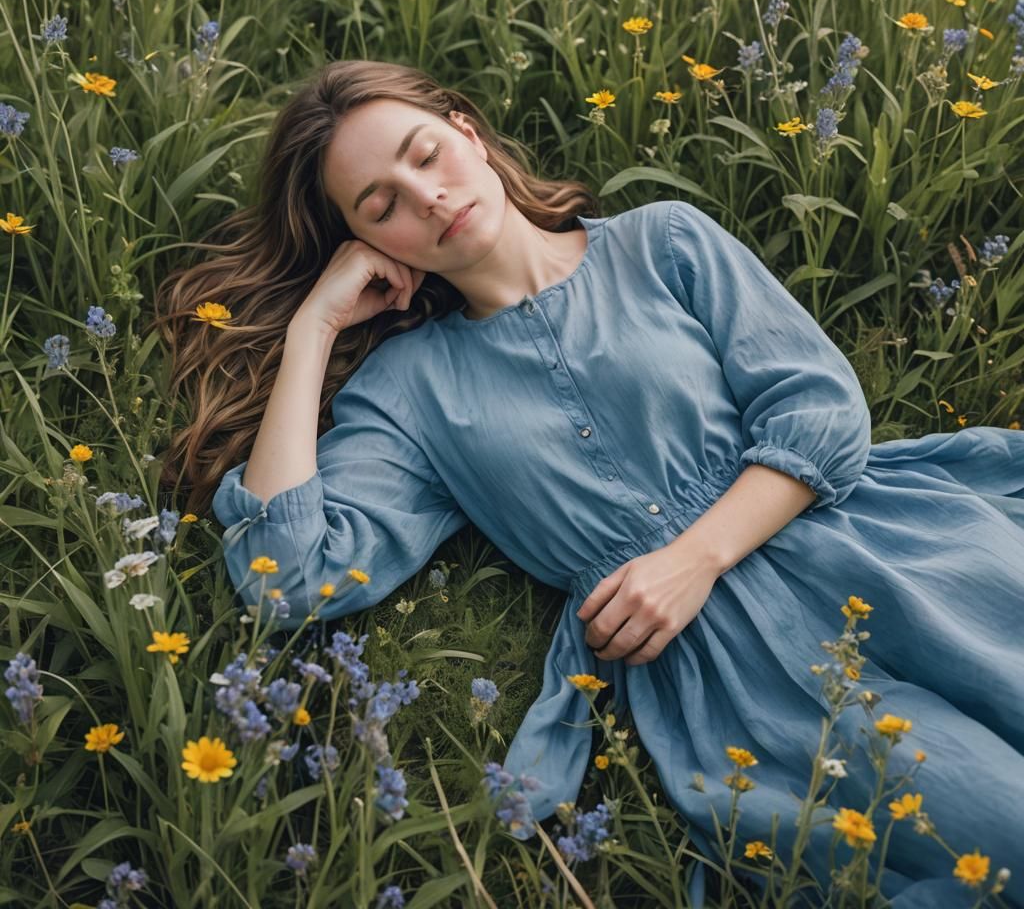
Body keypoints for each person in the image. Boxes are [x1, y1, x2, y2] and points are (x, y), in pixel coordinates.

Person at [155, 59, 1024, 908]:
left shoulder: (664, 241)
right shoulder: (408, 392)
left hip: (888, 552)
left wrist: (692, 559)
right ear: (368, 244)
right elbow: (287, 576)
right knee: (996, 835)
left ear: (467, 132)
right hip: (745, 673)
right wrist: (315, 326)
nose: (426, 199)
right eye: (381, 206)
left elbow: (821, 413)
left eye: (425, 156)